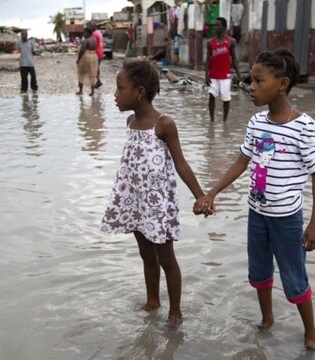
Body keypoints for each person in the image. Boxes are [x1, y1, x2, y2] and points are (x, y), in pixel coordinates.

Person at [194, 49, 315, 350]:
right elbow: (242, 161)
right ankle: (267, 318)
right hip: (257, 214)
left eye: (258, 80)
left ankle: (311, 331)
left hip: (287, 219)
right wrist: (211, 192)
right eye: (250, 80)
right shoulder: (256, 123)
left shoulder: (303, 128)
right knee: (259, 272)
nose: (250, 87)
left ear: (282, 84)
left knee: (294, 278)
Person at [100, 60, 206, 326]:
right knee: (146, 255)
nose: (115, 94)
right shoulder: (130, 121)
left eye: (120, 88)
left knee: (166, 258)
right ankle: (152, 301)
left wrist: (200, 195)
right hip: (136, 201)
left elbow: (181, 162)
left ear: (140, 91)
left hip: (157, 205)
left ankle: (176, 311)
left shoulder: (164, 124)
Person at [204, 17, 241, 122]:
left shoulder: (231, 41)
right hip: (213, 75)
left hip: (225, 76)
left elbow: (234, 59)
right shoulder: (210, 42)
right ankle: (212, 120)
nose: (215, 27)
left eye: (218, 25)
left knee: (226, 98)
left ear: (224, 27)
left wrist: (239, 74)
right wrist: (206, 75)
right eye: (214, 25)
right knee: (211, 96)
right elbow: (207, 60)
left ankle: (225, 121)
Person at [76, 27, 98, 96]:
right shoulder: (94, 40)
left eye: (85, 32)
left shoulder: (86, 41)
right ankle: (92, 91)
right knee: (92, 73)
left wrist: (78, 59)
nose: (83, 34)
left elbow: (82, 51)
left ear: (88, 33)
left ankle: (80, 91)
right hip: (94, 55)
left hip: (86, 56)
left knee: (81, 73)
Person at [90, 23, 105, 89]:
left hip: (96, 52)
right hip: (100, 51)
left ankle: (98, 81)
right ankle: (98, 81)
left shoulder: (94, 34)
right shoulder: (99, 33)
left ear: (93, 27)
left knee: (94, 68)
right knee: (97, 67)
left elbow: (93, 44)